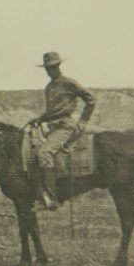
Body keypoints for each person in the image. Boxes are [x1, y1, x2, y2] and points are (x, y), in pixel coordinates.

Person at [25, 52, 96, 211]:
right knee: (31, 152)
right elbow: (53, 112)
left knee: (44, 153)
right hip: (51, 127)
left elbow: (90, 99)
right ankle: (39, 194)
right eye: (48, 68)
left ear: (59, 66)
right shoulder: (49, 88)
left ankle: (51, 198)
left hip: (65, 127)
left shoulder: (68, 83)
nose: (50, 70)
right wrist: (39, 118)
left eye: (53, 67)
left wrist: (83, 121)